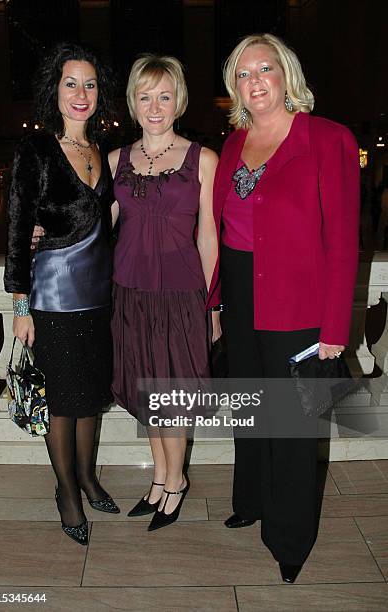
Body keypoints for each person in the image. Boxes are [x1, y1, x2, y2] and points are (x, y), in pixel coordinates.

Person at [206, 34, 360, 582]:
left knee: (294, 423)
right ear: (235, 86)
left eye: (265, 68)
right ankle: (250, 501)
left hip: (298, 299)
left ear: (286, 75)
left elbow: (343, 241)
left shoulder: (328, 138)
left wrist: (335, 327)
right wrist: (218, 300)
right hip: (244, 294)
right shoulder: (234, 142)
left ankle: (291, 539)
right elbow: (224, 231)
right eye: (244, 72)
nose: (255, 80)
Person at [4, 42, 120, 546]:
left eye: (90, 84)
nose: (81, 93)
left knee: (91, 396)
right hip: (52, 300)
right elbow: (16, 231)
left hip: (98, 298)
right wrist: (21, 304)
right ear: (55, 91)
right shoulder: (35, 150)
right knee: (63, 404)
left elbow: (108, 221)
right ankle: (67, 492)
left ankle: (90, 476)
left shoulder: (99, 150)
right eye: (71, 83)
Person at [108, 54, 219, 531]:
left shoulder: (203, 159)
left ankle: (176, 483)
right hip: (130, 293)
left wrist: (213, 304)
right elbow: (96, 231)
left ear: (179, 101)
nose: (155, 106)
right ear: (134, 102)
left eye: (165, 96)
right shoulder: (115, 161)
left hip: (180, 294)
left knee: (171, 395)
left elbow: (209, 235)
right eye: (145, 96)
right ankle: (159, 478)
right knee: (145, 391)